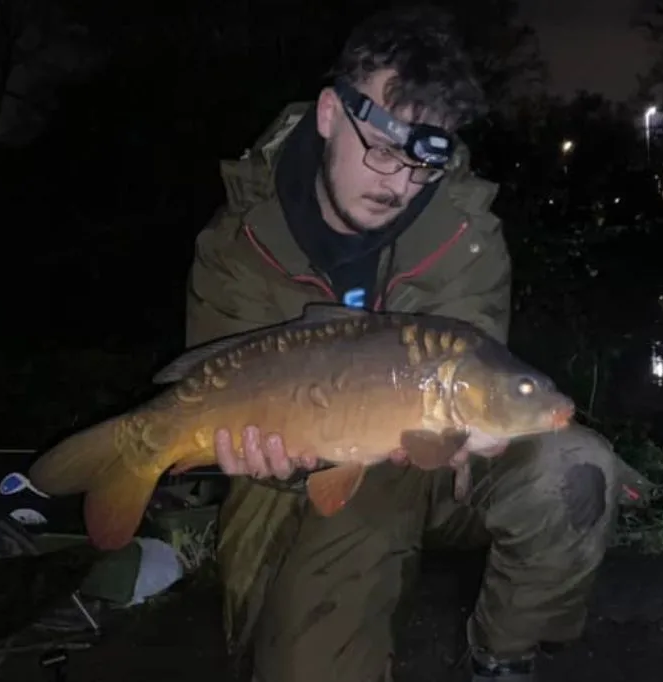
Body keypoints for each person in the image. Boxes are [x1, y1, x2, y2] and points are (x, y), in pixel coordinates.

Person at [183, 6, 629, 681]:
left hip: (436, 468)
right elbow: (215, 381)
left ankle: (501, 659)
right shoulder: (237, 242)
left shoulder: (465, 234)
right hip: (307, 483)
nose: (397, 185)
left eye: (419, 166)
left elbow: (474, 381)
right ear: (330, 114)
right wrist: (265, 455)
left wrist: (476, 433)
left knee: (576, 470)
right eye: (383, 152)